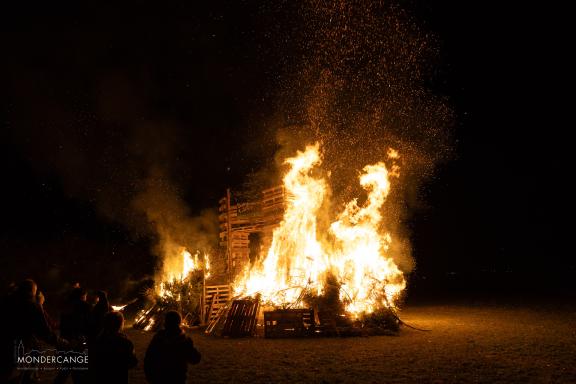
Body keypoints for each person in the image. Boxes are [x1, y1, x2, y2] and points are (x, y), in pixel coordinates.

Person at [0, 279, 58, 384]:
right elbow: (44, 330)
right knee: (14, 376)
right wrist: (39, 305)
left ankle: (29, 376)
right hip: (20, 347)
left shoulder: (7, 300)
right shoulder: (33, 305)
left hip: (5, 343)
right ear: (32, 291)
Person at [144, 311, 201, 384]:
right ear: (179, 323)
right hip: (178, 378)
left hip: (160, 378)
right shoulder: (184, 340)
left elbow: (149, 358)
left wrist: (149, 375)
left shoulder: (158, 339)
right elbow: (195, 359)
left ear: (165, 322)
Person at [54, 286, 91, 384]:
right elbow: (88, 323)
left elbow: (63, 325)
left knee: (68, 367)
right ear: (82, 296)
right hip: (78, 341)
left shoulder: (67, 306)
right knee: (76, 369)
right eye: (85, 296)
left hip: (66, 340)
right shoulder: (85, 306)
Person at [89, 311, 137, 384]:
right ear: (120, 324)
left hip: (100, 378)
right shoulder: (124, 342)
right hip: (118, 378)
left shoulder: (98, 341)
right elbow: (132, 362)